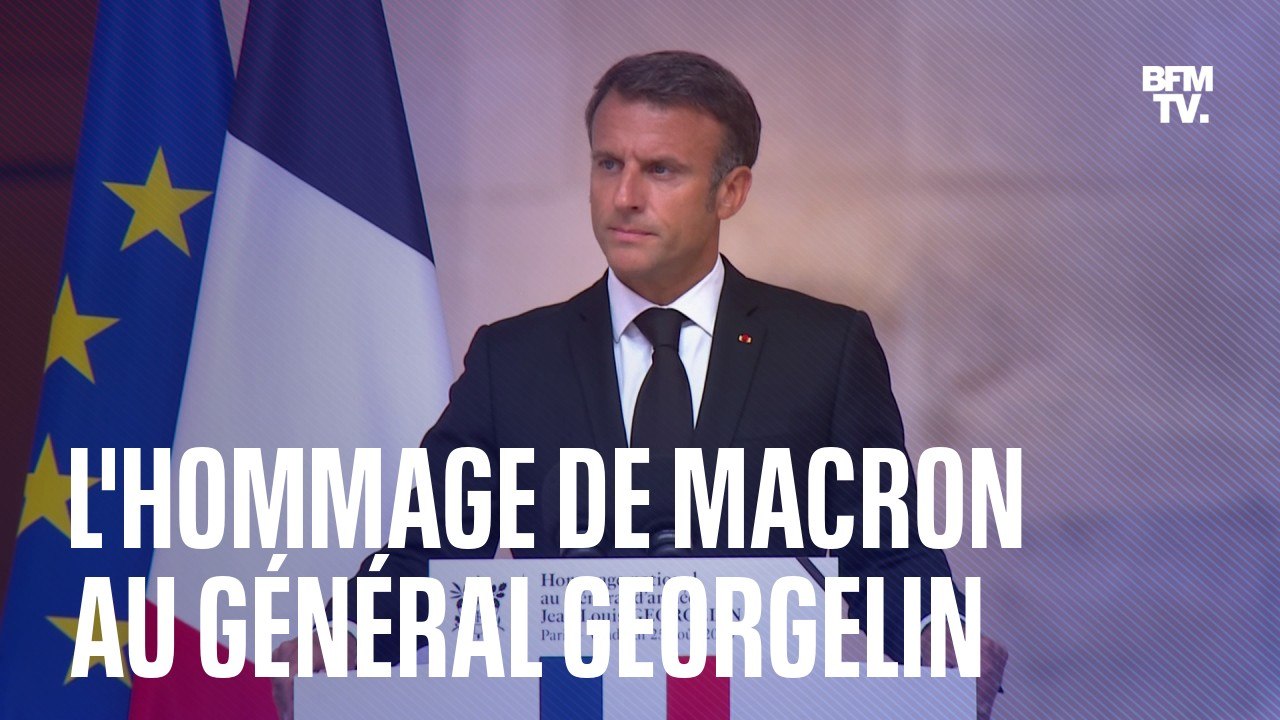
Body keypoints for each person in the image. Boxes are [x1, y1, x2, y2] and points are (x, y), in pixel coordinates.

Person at [273, 50, 1007, 719]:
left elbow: (884, 549)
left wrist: (937, 634)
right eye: (607, 164)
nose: (624, 197)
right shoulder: (512, 358)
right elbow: (424, 553)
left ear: (731, 190)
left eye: (661, 170)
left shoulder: (826, 347)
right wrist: (336, 642)